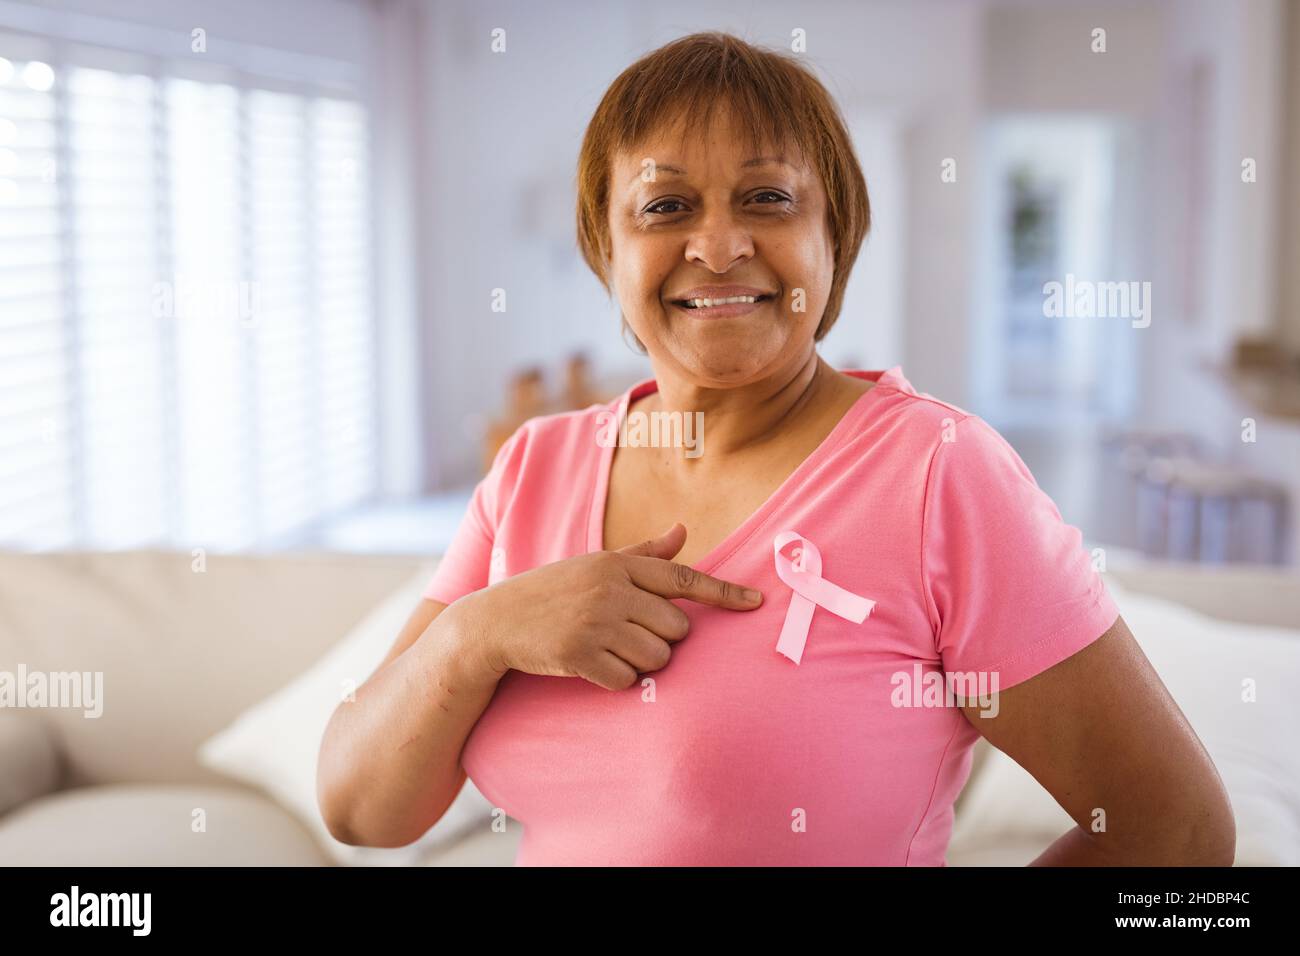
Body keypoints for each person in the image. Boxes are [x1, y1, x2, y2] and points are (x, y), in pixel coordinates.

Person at [318, 32, 1234, 866]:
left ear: (835, 236)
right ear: (606, 250)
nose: (718, 247)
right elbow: (361, 810)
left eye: (767, 197)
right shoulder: (533, 468)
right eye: (665, 205)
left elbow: (1176, 833)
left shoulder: (938, 473)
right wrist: (477, 636)